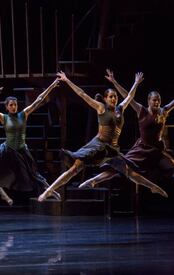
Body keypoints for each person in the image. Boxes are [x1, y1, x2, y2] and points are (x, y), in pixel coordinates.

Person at [38, 71, 167, 202]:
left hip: (112, 149)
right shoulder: (101, 108)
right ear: (105, 99)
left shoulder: (120, 109)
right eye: (111, 97)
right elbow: (82, 94)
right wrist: (67, 80)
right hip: (98, 145)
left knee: (129, 172)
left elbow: (129, 96)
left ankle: (153, 187)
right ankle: (49, 190)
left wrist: (135, 83)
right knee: (74, 169)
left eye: (115, 97)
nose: (114, 99)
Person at [79, 69, 174, 190]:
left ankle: (155, 186)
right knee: (121, 168)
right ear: (149, 101)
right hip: (142, 149)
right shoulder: (142, 111)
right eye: (154, 100)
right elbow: (127, 96)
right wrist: (114, 81)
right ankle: (93, 180)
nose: (157, 102)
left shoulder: (163, 111)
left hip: (157, 150)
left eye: (159, 100)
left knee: (170, 166)